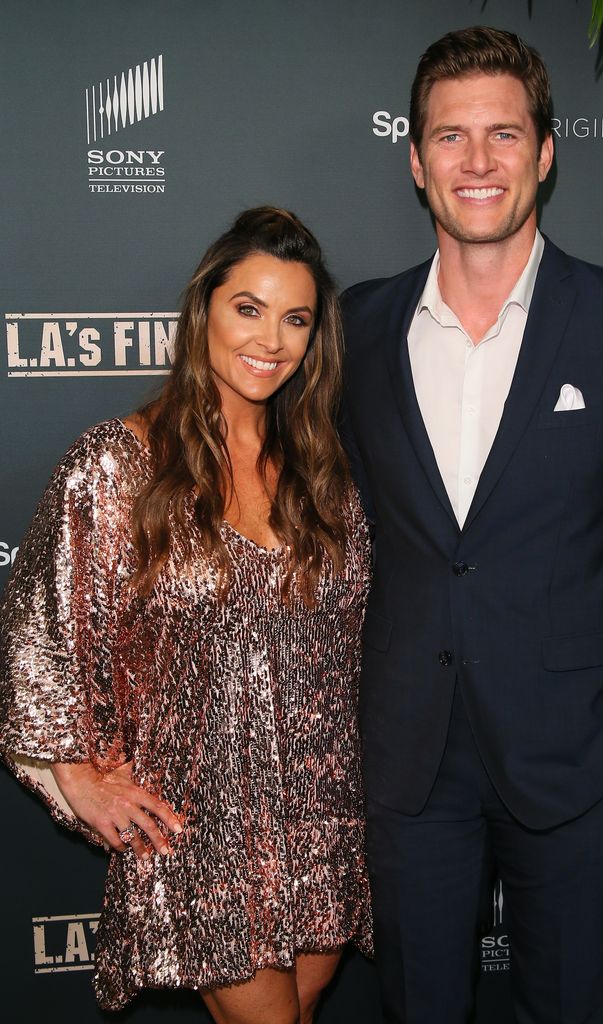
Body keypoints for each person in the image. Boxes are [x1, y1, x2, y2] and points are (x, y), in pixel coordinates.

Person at [341, 26, 603, 1024]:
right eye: (451, 136)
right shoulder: (358, 327)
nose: (477, 161)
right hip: (407, 760)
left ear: (545, 153)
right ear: (415, 160)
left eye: (503, 134)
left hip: (581, 760)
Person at [0, 207, 372, 1023]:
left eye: (295, 318)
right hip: (202, 824)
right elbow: (37, 633)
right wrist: (76, 776)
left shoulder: (324, 475)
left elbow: (354, 645)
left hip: (322, 811)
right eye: (249, 308)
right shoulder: (118, 462)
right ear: (203, 309)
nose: (271, 339)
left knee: (303, 1009)